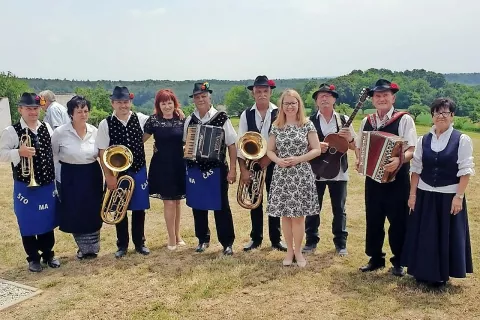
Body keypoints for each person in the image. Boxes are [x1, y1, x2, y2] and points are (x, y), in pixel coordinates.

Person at [403, 98, 474, 287]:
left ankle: (440, 276)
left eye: (445, 113)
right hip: (425, 193)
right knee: (425, 234)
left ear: (452, 116)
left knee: (444, 236)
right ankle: (421, 272)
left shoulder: (462, 139)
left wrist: (458, 197)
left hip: (449, 195)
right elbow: (416, 169)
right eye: (437, 113)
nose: (441, 116)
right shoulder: (423, 139)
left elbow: (465, 171)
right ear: (432, 116)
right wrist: (412, 195)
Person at [355, 79, 417, 276]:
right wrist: (360, 160)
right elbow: (360, 146)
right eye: (377, 96)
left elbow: (412, 150)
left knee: (398, 221)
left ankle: (399, 261)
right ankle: (375, 258)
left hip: (397, 180)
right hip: (372, 179)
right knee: (373, 219)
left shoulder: (404, 119)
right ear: (373, 99)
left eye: (385, 95)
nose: (381, 99)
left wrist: (398, 161)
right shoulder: (367, 121)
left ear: (393, 98)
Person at [0, 92, 60, 272]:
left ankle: (48, 253)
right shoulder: (11, 131)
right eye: (29, 109)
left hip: (46, 183)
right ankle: (33, 257)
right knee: (27, 221)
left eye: (35, 108)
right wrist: (19, 152)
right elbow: (1, 153)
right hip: (25, 185)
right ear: (20, 109)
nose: (33, 112)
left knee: (47, 220)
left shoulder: (47, 128)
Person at [266, 89, 321, 267]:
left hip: (301, 174)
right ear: (281, 106)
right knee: (285, 216)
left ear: (299, 105)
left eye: (293, 103)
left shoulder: (307, 124)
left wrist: (298, 159)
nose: (290, 106)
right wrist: (277, 160)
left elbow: (316, 149)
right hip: (282, 175)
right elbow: (269, 150)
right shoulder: (276, 125)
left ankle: (298, 251)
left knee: (298, 217)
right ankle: (289, 251)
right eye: (286, 103)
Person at [95, 86, 151, 258]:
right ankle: (122, 245)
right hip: (117, 172)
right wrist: (109, 176)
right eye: (119, 102)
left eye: (126, 102)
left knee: (139, 209)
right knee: (120, 209)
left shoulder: (141, 118)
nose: (123, 105)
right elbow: (102, 151)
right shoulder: (105, 124)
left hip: (138, 168)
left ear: (130, 102)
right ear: (113, 103)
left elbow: (154, 126)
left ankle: (140, 243)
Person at [183, 82, 237, 255]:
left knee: (221, 207)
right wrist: (188, 150)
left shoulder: (222, 117)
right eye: (197, 97)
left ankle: (227, 242)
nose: (201, 99)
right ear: (194, 100)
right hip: (195, 168)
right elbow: (185, 143)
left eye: (203, 96)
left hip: (217, 168)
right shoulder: (190, 119)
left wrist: (233, 169)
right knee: (198, 206)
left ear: (209, 97)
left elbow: (231, 144)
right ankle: (202, 239)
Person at [303, 84, 356, 256]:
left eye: (328, 95)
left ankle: (340, 244)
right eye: (320, 96)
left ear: (334, 99)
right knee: (312, 208)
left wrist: (350, 138)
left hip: (339, 172)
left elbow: (354, 147)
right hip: (315, 171)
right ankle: (311, 242)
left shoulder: (344, 119)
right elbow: (302, 148)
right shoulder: (308, 121)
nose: (324, 99)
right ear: (316, 101)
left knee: (339, 210)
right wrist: (317, 147)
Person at [237, 75, 287, 252]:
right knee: (255, 202)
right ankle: (256, 238)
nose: (262, 94)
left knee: (274, 202)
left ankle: (276, 239)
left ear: (270, 92)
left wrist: (267, 159)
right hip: (253, 164)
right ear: (253, 93)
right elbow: (240, 142)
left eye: (265, 91)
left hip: (274, 163)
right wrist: (243, 170)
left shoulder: (279, 113)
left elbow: (283, 140)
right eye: (258, 91)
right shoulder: (246, 114)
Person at [51, 96, 103, 259]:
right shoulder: (60, 132)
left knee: (93, 209)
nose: (83, 114)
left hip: (92, 173)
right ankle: (82, 248)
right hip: (70, 175)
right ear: (71, 113)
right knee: (75, 210)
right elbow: (54, 156)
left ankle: (93, 249)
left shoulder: (95, 131)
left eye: (86, 111)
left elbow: (101, 153)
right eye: (79, 111)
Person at [143, 89, 186, 251]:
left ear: (174, 103)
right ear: (158, 105)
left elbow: (189, 140)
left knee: (177, 201)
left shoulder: (182, 119)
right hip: (161, 165)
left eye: (170, 102)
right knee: (168, 202)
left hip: (179, 164)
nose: (167, 106)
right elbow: (142, 140)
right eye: (163, 103)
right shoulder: (153, 121)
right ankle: (171, 237)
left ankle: (178, 234)